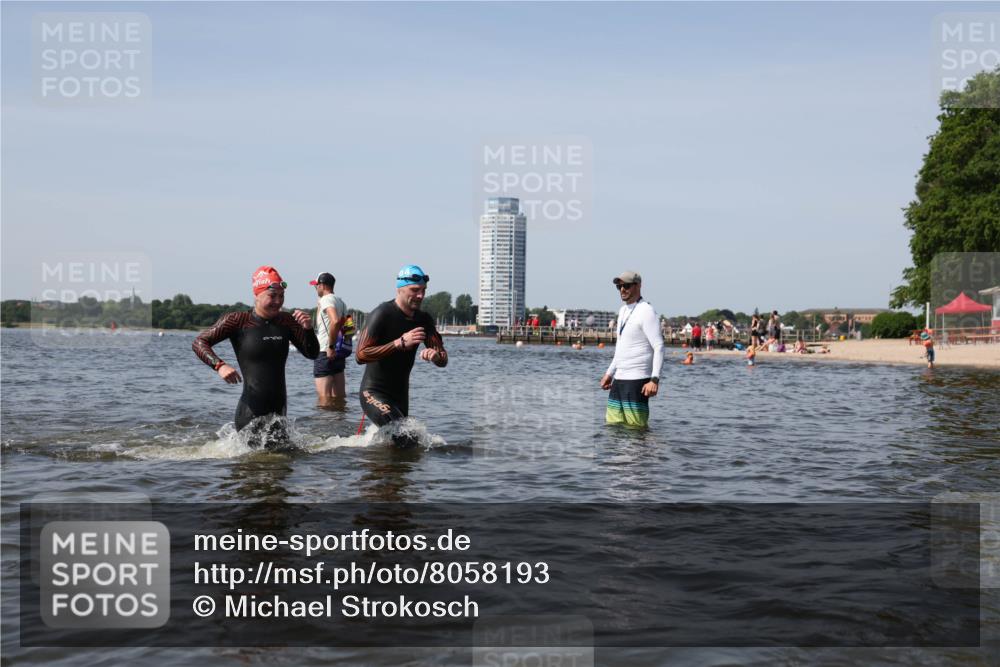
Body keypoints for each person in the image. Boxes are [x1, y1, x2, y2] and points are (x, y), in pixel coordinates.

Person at [193, 266, 319, 449]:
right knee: (253, 471)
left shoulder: (286, 321)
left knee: (281, 471)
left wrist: (307, 329)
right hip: (250, 412)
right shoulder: (238, 321)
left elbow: (312, 353)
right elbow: (199, 342)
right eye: (272, 296)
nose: (278, 302)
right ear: (257, 295)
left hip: (279, 411)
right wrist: (219, 366)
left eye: (281, 296)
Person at [355, 265, 447, 446]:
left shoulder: (423, 320)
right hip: (373, 392)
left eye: (423, 291)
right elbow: (360, 355)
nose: (420, 295)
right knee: (406, 439)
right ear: (400, 289)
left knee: (405, 443)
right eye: (415, 290)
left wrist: (436, 357)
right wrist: (399, 343)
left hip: (400, 398)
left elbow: (443, 358)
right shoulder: (382, 314)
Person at [600, 271, 664, 428]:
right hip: (619, 380)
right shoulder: (622, 311)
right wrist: (609, 373)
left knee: (636, 431)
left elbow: (659, 346)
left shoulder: (646, 311)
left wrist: (654, 379)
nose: (622, 289)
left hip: (637, 381)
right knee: (612, 429)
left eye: (626, 285)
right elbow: (621, 348)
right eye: (619, 286)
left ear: (638, 286)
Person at [309, 272, 351, 406]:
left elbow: (335, 321)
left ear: (322, 285)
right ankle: (339, 424)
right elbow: (349, 328)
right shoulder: (341, 302)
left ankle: (325, 426)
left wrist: (330, 347)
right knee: (339, 398)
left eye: (316, 286)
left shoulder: (326, 299)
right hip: (338, 353)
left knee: (324, 400)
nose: (315, 289)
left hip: (325, 351)